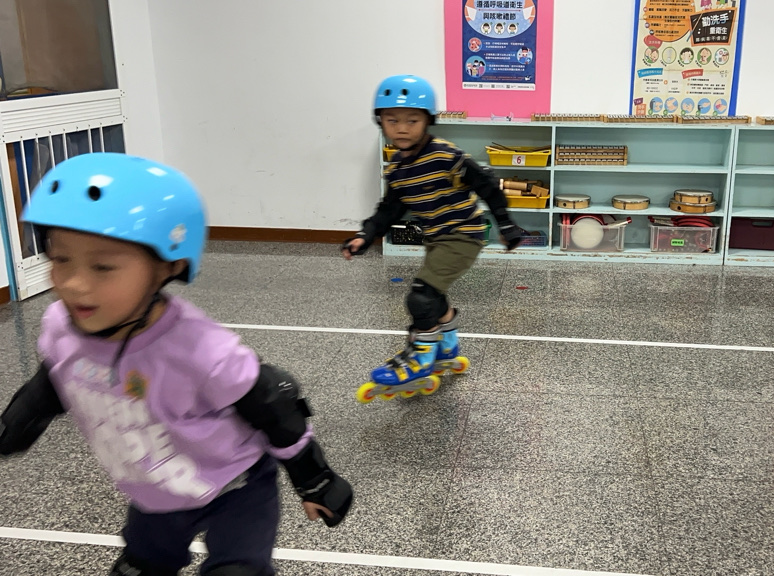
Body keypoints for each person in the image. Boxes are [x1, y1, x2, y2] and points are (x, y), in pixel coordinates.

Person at [0, 153, 353, 575]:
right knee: (142, 567)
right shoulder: (61, 326)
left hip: (235, 486)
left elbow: (274, 404)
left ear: (169, 265)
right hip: (154, 492)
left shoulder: (201, 349)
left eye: (103, 266)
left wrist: (315, 479)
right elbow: (52, 384)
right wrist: (13, 427)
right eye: (60, 260)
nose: (75, 283)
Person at [343, 74, 522, 402]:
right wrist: (365, 235)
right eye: (392, 120)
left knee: (420, 298)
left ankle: (422, 358)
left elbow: (486, 184)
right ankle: (447, 347)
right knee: (433, 295)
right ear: (381, 122)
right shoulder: (397, 168)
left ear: (427, 121)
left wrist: (506, 225)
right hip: (437, 238)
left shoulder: (444, 155)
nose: (402, 128)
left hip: (463, 234)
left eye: (412, 120)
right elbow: (389, 209)